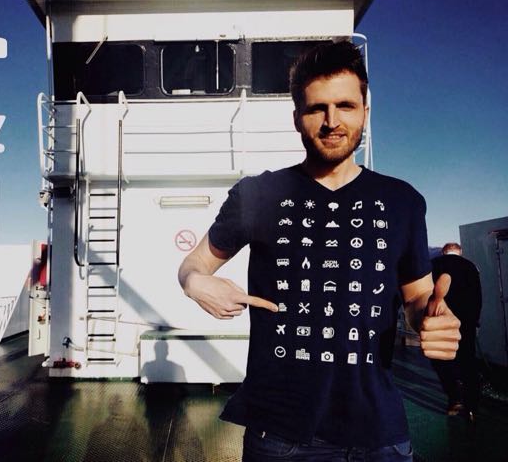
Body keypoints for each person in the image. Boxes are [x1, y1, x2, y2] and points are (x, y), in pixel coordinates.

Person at [178, 41, 461, 461]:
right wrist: (195, 282)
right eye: (317, 109)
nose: (332, 121)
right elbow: (194, 264)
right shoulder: (258, 195)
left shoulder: (402, 201)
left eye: (345, 105)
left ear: (365, 111)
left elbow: (418, 295)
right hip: (280, 435)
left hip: (379, 434)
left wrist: (432, 319)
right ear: (297, 118)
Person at [430, 242, 482, 421]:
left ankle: (454, 399)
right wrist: (475, 320)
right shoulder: (470, 266)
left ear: (443, 252)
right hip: (466, 322)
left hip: (441, 321)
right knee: (468, 361)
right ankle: (472, 407)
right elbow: (477, 297)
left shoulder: (434, 265)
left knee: (442, 360)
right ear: (460, 252)